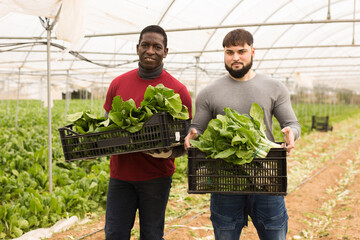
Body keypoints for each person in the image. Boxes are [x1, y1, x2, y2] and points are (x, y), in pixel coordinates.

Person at [184, 28, 301, 240]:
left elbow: (292, 123)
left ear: (253, 51)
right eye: (229, 52)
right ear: (224, 54)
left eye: (241, 51)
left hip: (266, 178)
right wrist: (192, 134)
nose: (235, 57)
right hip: (224, 179)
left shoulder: (275, 87)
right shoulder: (209, 92)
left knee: (274, 235)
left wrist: (291, 133)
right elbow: (198, 128)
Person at [103, 25, 192, 240]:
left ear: (165, 52)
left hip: (156, 176)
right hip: (121, 175)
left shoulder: (178, 90)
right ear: (137, 48)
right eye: (145, 45)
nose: (150, 51)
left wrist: (169, 153)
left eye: (156, 47)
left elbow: (186, 139)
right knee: (115, 233)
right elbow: (106, 124)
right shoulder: (118, 84)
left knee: (152, 235)